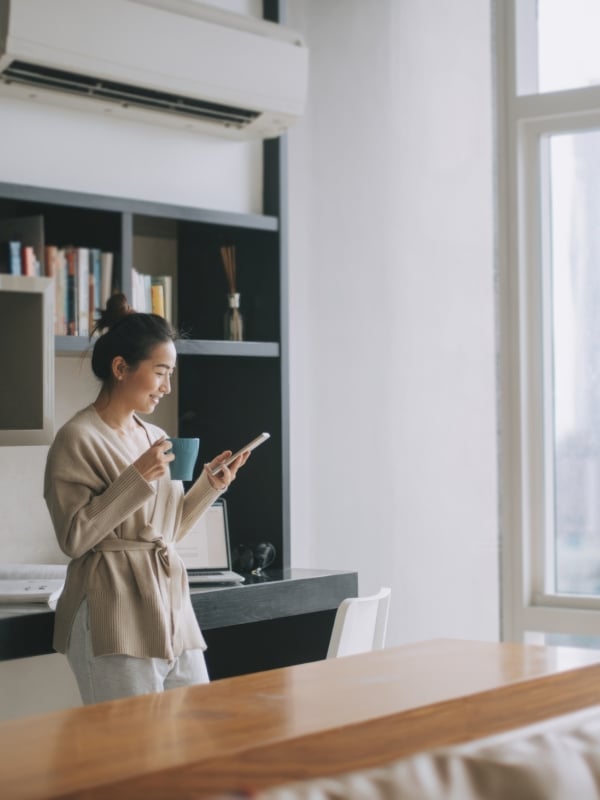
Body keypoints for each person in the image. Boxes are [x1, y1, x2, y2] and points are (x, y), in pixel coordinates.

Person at [44, 294, 249, 704]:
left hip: (170, 605)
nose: (167, 388)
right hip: (112, 609)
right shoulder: (77, 439)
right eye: (159, 373)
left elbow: (164, 532)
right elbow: (75, 538)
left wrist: (210, 486)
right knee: (129, 748)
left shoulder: (154, 437)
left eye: (170, 374)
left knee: (195, 734)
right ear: (121, 368)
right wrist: (135, 478)